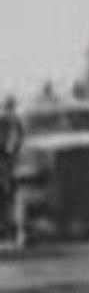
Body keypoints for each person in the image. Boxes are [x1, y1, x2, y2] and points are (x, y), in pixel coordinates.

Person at [0, 97, 24, 233]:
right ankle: (8, 224)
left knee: (8, 194)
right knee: (8, 194)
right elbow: (19, 138)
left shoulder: (13, 120)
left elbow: (20, 138)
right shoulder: (12, 120)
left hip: (8, 161)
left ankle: (8, 224)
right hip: (7, 160)